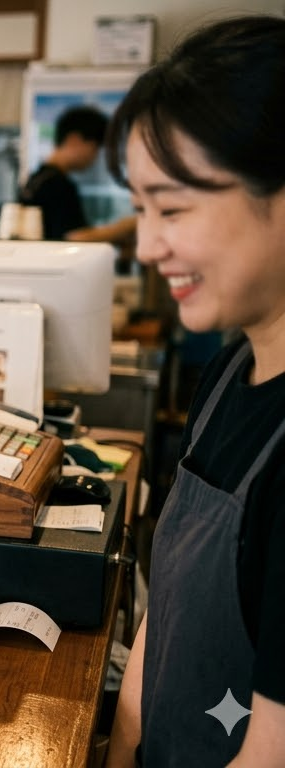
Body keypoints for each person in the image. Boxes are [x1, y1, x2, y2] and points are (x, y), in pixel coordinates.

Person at [104, 16, 285, 768]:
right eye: (141, 210)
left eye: (172, 209)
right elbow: (167, 610)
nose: (147, 246)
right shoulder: (228, 370)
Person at [20, 105, 135, 243]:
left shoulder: (37, 178)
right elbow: (75, 237)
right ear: (74, 139)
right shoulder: (58, 184)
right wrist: (125, 227)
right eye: (95, 147)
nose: (95, 156)